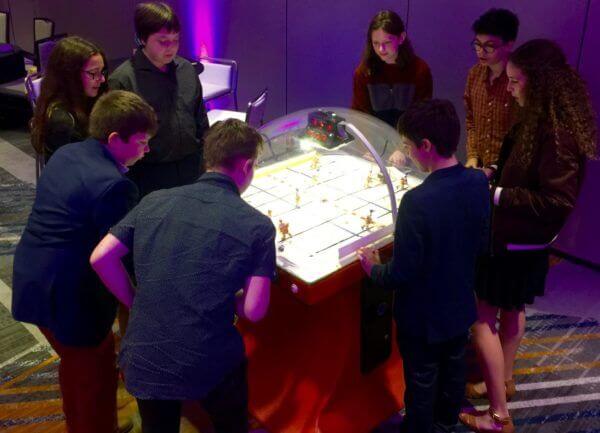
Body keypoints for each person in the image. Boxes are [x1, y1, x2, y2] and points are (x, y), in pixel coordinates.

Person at [91, 119, 276, 433]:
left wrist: (135, 301)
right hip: (209, 359)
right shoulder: (257, 226)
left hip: (144, 355)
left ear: (208, 160)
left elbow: (100, 257)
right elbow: (255, 311)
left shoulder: (154, 200)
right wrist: (231, 299)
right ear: (246, 166)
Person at [460, 39, 597, 433]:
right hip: (523, 240)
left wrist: (497, 193)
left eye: (518, 81)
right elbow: (527, 174)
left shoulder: (556, 134)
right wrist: (494, 175)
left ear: (540, 85)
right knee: (512, 307)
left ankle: (499, 415)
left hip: (515, 240)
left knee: (483, 317)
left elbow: (556, 201)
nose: (512, 87)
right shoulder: (542, 121)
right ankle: (502, 379)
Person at [12, 90, 157, 433]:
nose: (146, 150)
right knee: (95, 381)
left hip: (33, 278)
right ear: (113, 138)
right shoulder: (113, 187)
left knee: (76, 371)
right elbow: (120, 257)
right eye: (141, 142)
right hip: (71, 298)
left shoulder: (68, 153)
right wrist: (137, 303)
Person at [357, 99, 490, 433]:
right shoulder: (477, 182)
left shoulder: (417, 201)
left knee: (421, 381)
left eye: (408, 145)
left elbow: (401, 272)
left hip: (422, 317)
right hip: (459, 306)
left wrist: (372, 268)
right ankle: (446, 422)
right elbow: (480, 242)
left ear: (426, 146)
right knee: (454, 370)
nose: (408, 152)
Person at [109, 1, 209, 197]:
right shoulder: (123, 80)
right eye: (163, 41)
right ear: (142, 39)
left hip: (192, 166)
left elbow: (200, 120)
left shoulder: (187, 70)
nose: (171, 47)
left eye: (176, 40)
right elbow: (118, 143)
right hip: (150, 175)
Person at [31, 36, 108, 163]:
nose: (102, 79)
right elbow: (84, 168)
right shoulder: (64, 123)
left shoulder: (82, 100)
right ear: (70, 75)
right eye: (93, 73)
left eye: (102, 71)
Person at [352, 10, 432, 129]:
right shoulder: (364, 72)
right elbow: (360, 117)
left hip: (407, 140)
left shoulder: (420, 70)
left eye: (387, 42)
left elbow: (422, 118)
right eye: (375, 43)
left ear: (401, 38)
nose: (381, 49)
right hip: (374, 139)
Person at [464, 9, 519, 170]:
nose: (481, 52)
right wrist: (473, 156)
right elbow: (471, 120)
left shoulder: (519, 80)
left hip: (510, 171)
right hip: (480, 167)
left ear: (509, 44)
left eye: (489, 47)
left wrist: (497, 168)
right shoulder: (475, 74)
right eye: (477, 45)